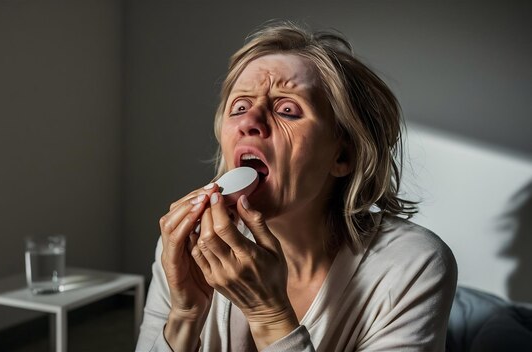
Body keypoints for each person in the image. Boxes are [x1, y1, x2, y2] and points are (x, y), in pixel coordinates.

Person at [136, 21, 457, 352]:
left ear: (343, 155)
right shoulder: (187, 247)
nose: (249, 122)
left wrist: (270, 316)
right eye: (240, 107)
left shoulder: (413, 265)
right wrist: (185, 315)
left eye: (287, 110)